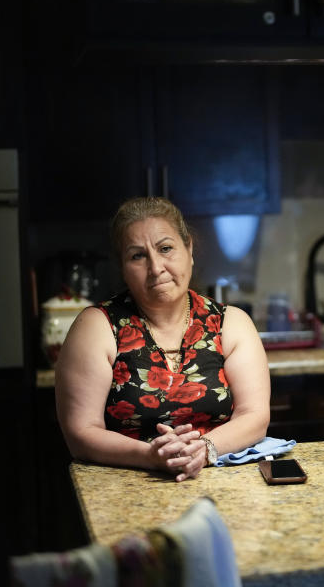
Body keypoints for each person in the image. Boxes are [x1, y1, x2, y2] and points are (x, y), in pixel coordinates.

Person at [56, 197, 270, 482]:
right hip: (125, 488)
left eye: (165, 248)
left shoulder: (230, 323)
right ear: (122, 267)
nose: (156, 267)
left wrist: (204, 450)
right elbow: (81, 433)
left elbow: (254, 416)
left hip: (222, 484)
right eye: (137, 256)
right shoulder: (96, 326)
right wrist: (151, 456)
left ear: (189, 249)